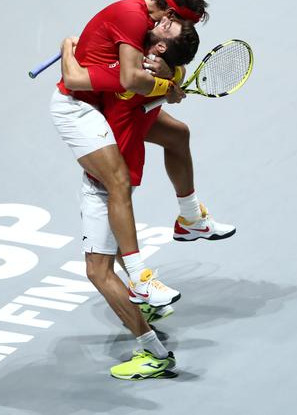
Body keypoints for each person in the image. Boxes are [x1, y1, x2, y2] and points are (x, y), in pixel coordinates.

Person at [50, 0, 209, 312]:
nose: (180, 27)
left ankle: (190, 219)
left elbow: (155, 70)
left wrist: (170, 77)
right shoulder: (130, 63)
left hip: (111, 111)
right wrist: (68, 47)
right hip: (90, 116)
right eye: (181, 22)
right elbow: (76, 80)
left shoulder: (142, 53)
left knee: (177, 135)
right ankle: (139, 279)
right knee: (114, 200)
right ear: (167, 14)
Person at [58, 20, 199, 379]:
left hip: (104, 180)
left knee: (97, 271)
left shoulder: (126, 79)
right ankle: (149, 291)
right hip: (125, 166)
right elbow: (168, 75)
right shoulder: (161, 79)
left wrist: (68, 46)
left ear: (159, 50)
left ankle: (152, 352)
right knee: (116, 245)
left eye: (165, 27)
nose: (156, 23)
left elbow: (73, 80)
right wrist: (172, 84)